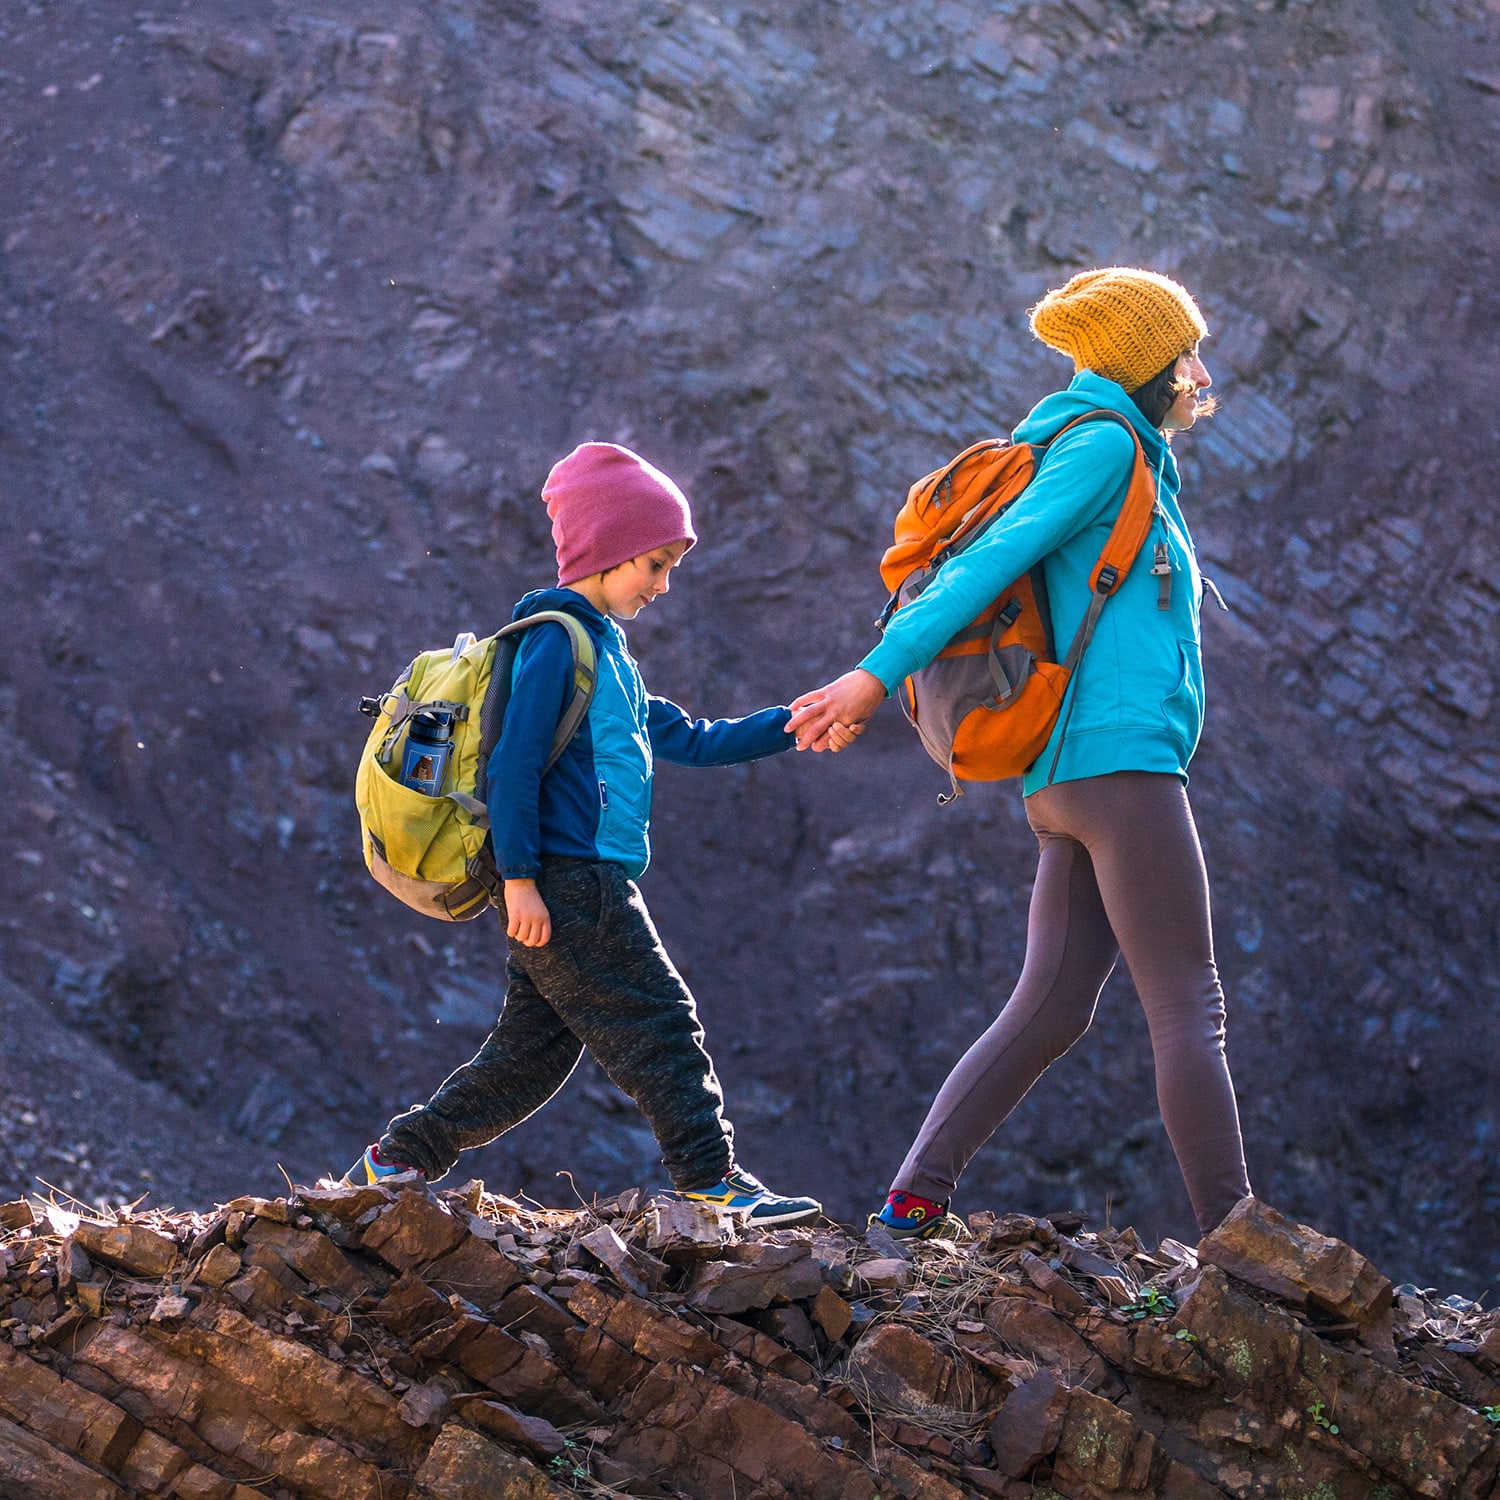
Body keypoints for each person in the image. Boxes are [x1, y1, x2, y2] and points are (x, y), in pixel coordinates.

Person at [787, 267, 1252, 1241]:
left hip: (1070, 780)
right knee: (1189, 1005)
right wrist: (875, 676)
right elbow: (980, 571)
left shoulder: (1107, 450)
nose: (1201, 372)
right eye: (1185, 357)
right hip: (1119, 770)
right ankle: (1239, 1243)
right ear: (1144, 368)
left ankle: (912, 1202)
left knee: (1053, 1008)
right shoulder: (1103, 450)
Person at [343, 441, 821, 1228]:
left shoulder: (607, 656)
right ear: (606, 552)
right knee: (662, 1020)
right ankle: (711, 1177)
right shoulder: (554, 642)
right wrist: (523, 879)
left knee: (530, 1056)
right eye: (655, 564)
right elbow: (513, 765)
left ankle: (397, 1160)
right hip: (572, 880)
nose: (664, 585)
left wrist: (799, 723)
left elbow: (696, 737)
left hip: (574, 879)